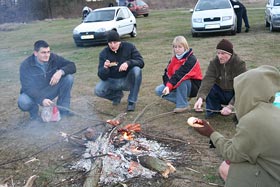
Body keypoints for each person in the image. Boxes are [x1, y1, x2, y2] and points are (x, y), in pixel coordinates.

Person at [192, 65, 280, 186]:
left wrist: (210, 133)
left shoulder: (253, 120)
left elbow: (232, 154)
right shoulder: (274, 110)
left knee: (226, 169)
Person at [18, 40, 76, 120]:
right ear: (35, 53)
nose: (47, 55)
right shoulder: (26, 65)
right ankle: (34, 114)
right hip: (34, 94)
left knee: (68, 78)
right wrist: (41, 99)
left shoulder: (53, 58)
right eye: (43, 52)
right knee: (23, 101)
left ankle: (63, 110)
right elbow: (27, 87)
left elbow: (72, 66)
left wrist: (60, 72)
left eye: (48, 52)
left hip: (49, 89)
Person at [193, 39, 246, 118]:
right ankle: (213, 111)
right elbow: (207, 80)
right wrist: (200, 98)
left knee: (244, 92)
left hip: (234, 93)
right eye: (218, 53)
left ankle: (235, 111)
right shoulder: (214, 63)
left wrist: (230, 106)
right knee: (210, 87)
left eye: (223, 53)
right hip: (220, 91)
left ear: (230, 54)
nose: (220, 56)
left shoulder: (239, 64)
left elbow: (242, 88)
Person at [94, 30, 144, 112]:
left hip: (127, 80)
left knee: (137, 70)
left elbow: (141, 62)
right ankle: (116, 96)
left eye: (115, 42)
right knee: (98, 90)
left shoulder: (129, 47)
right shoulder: (104, 53)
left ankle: (132, 102)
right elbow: (101, 75)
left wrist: (128, 63)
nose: (112, 45)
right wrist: (105, 68)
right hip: (113, 81)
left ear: (119, 41)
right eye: (110, 43)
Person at [155, 36, 203, 113]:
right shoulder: (173, 59)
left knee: (182, 81)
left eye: (180, 47)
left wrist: (170, 86)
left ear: (185, 47)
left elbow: (181, 74)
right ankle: (183, 100)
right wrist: (167, 86)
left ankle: (182, 105)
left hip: (193, 87)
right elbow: (166, 73)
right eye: (175, 47)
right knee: (158, 90)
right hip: (176, 83)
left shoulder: (191, 59)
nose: (177, 49)